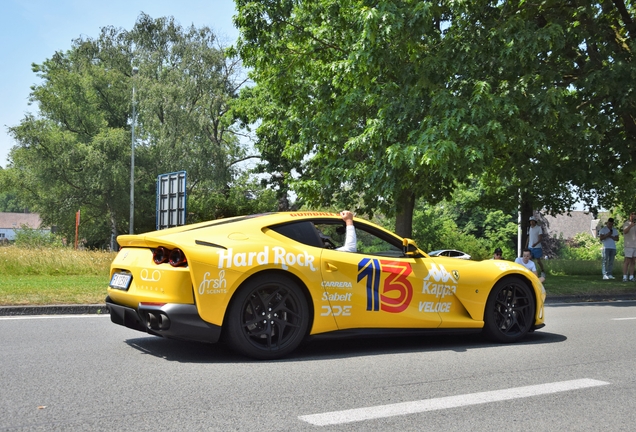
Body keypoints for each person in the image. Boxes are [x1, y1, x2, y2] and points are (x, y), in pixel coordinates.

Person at [622, 212, 636, 281]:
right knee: (627, 261)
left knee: (633, 261)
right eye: (632, 215)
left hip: (635, 245)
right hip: (628, 245)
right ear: (630, 216)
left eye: (634, 215)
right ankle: (624, 277)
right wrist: (630, 226)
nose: (633, 216)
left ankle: (631, 276)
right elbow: (625, 231)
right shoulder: (626, 223)